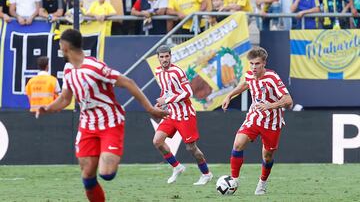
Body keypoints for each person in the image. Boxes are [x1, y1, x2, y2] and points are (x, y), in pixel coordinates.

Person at [36, 29, 168, 202]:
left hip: (110, 122)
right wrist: (48, 108)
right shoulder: (68, 70)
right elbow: (65, 99)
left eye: (60, 44)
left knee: (106, 173)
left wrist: (150, 108)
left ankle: (106, 152)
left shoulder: (95, 67)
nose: (59, 48)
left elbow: (128, 82)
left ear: (66, 46)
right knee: (88, 176)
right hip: (87, 125)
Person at [222, 47, 293, 195]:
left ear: (264, 63)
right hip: (254, 117)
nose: (254, 67)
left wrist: (270, 106)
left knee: (267, 156)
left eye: (257, 64)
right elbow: (245, 84)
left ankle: (262, 183)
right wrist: (229, 96)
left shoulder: (272, 78)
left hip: (272, 123)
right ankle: (234, 180)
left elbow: (288, 101)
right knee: (238, 143)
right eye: (252, 64)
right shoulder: (249, 75)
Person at [153, 45, 213, 185]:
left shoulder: (177, 72)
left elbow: (188, 93)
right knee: (157, 141)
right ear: (158, 58)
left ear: (170, 56)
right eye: (161, 57)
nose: (164, 59)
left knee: (191, 148)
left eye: (167, 56)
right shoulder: (158, 71)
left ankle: (206, 174)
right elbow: (166, 91)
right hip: (171, 114)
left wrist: (166, 100)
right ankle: (177, 167)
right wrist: (160, 104)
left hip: (185, 114)